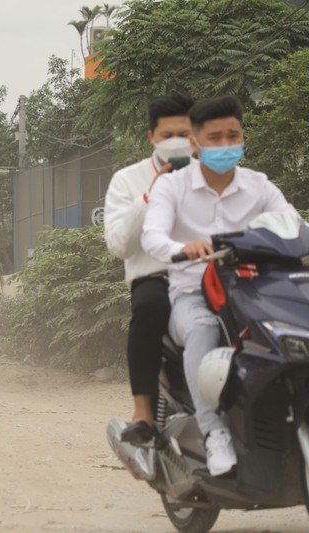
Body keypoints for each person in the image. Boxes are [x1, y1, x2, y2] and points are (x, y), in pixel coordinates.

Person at [142, 95, 298, 476]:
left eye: (234, 135)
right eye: (215, 138)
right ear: (195, 144)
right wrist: (183, 248)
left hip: (253, 291)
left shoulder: (259, 186)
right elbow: (152, 237)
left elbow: (292, 224)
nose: (226, 145)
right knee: (202, 329)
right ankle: (215, 433)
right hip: (193, 294)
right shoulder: (172, 187)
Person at [104, 92, 195, 446]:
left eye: (186, 135)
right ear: (152, 138)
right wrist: (149, 197)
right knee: (149, 307)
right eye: (168, 135)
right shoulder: (127, 180)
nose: (178, 142)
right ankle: (143, 412)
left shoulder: (213, 176)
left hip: (206, 273)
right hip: (154, 276)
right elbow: (119, 245)